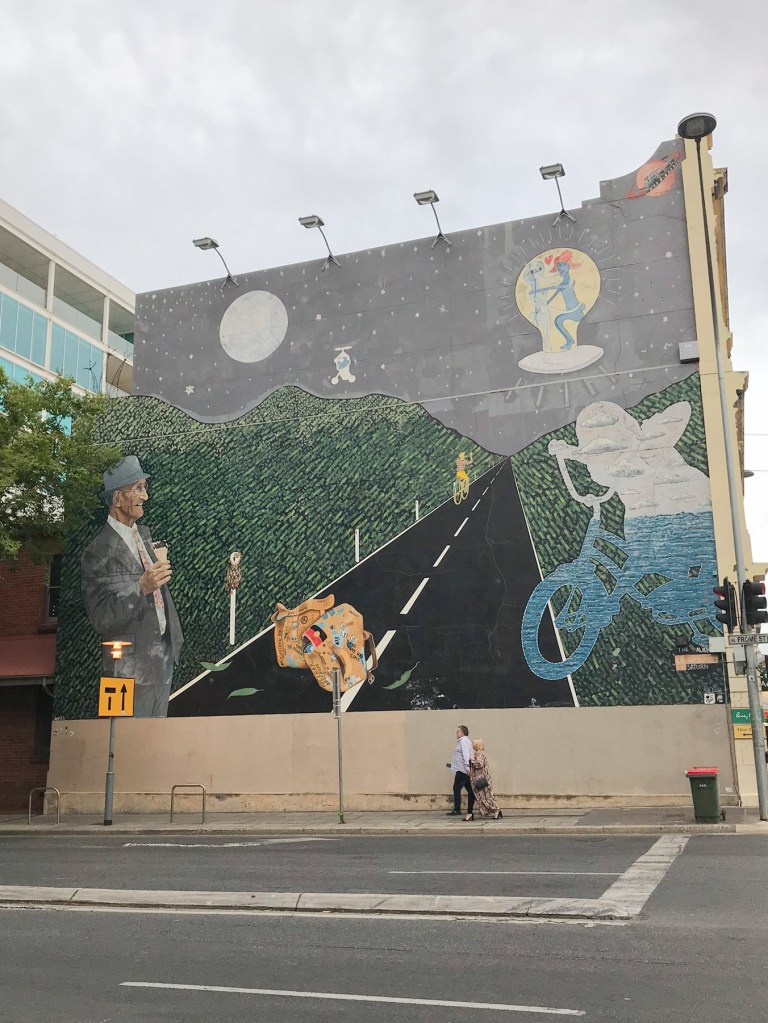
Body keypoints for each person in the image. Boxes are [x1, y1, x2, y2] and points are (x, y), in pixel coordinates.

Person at [81, 455, 184, 718]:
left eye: (144, 487)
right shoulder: (97, 552)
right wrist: (142, 587)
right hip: (126, 670)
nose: (145, 496)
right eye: (137, 488)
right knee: (125, 738)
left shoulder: (145, 535)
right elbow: (101, 618)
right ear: (117, 499)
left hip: (163, 660)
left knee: (155, 736)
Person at [468, 739, 502, 820]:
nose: (472, 744)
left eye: (473, 743)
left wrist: (472, 760)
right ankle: (494, 810)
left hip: (481, 779)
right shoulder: (477, 753)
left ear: (477, 744)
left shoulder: (481, 753)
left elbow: (479, 764)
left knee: (487, 796)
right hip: (477, 779)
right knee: (481, 797)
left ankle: (497, 810)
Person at [446, 724, 475, 818]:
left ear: (462, 732)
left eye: (458, 731)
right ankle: (481, 806)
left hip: (462, 770)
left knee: (456, 788)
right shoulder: (466, 741)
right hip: (464, 769)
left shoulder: (463, 741)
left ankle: (457, 809)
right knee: (471, 790)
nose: (456, 733)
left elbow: (466, 754)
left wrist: (466, 766)